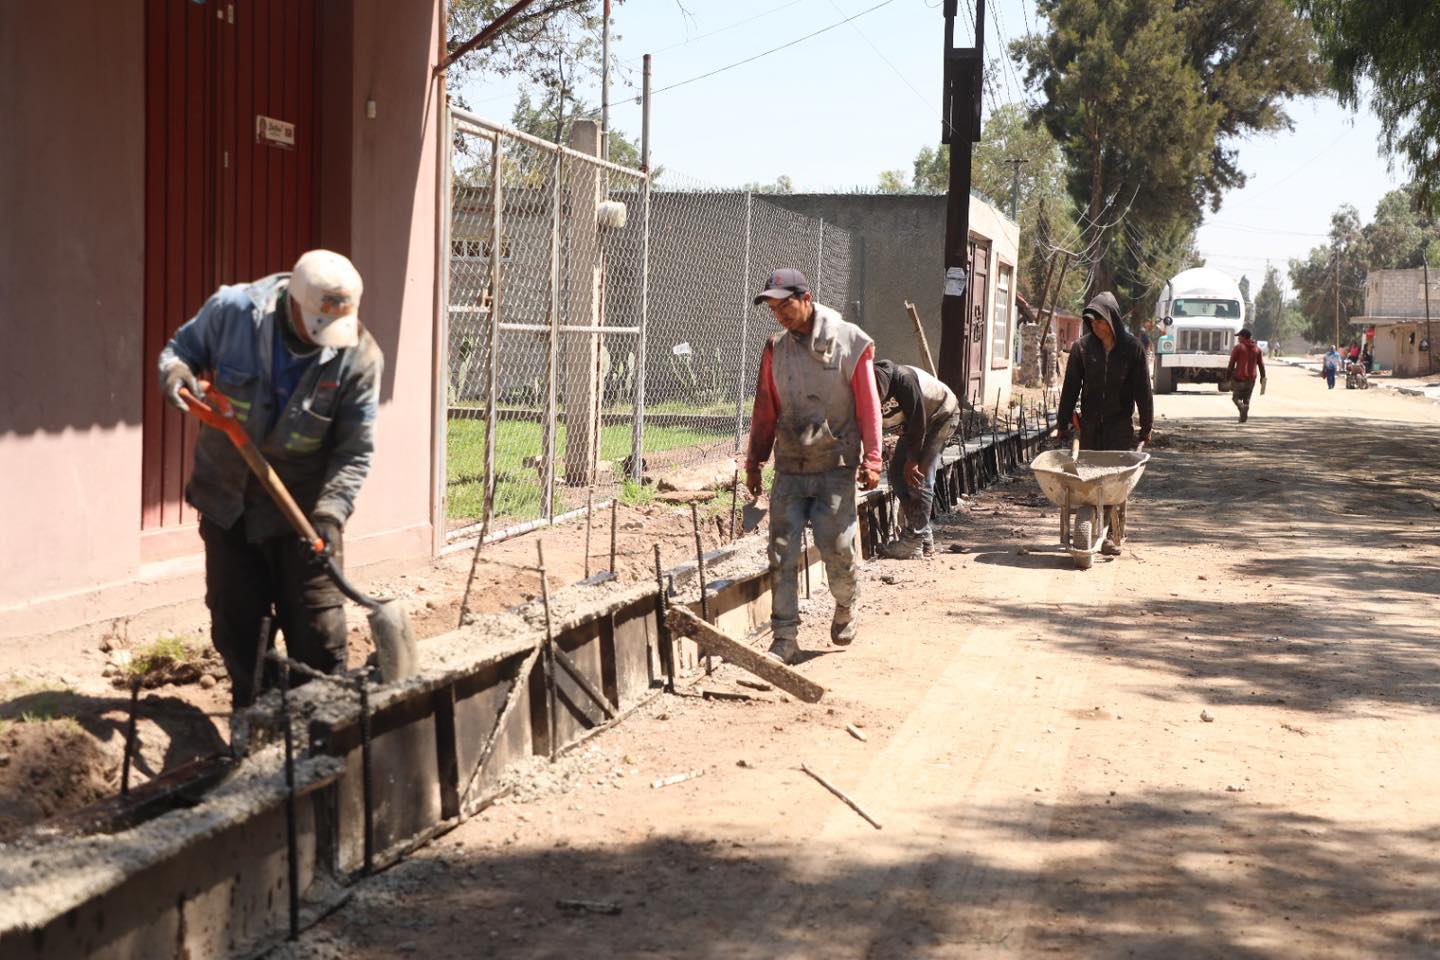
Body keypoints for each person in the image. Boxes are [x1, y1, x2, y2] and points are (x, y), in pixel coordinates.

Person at [157, 250, 383, 708]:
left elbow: (353, 451)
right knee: (239, 631)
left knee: (319, 637)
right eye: (316, 323)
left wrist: (330, 515)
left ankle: (318, 736)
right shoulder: (233, 313)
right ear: (292, 303)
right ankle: (255, 728)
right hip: (229, 502)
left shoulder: (358, 357)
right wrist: (178, 376)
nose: (326, 341)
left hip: (304, 511)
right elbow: (179, 353)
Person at [744, 268, 882, 664]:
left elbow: (868, 405)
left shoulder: (849, 341)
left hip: (834, 466)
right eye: (773, 308)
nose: (780, 315)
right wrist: (755, 462)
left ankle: (847, 601)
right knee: (781, 552)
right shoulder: (775, 348)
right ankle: (784, 637)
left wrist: (873, 458)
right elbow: (765, 408)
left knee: (836, 547)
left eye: (785, 305)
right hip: (790, 465)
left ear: (807, 298)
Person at [1056, 292, 1153, 555]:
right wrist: (1062, 422)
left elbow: (1143, 390)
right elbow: (1071, 388)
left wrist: (1146, 427)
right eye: (1092, 323)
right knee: (1088, 480)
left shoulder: (1132, 349)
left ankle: (1110, 534)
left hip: (1119, 427)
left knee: (1113, 482)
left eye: (1100, 322)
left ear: (1112, 319)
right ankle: (1090, 527)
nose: (1096, 327)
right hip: (1089, 425)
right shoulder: (1083, 348)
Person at [872, 359, 961, 559]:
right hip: (913, 428)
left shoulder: (903, 380)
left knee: (920, 476)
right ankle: (923, 537)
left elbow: (917, 422)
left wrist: (912, 461)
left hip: (940, 416)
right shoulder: (860, 391)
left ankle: (913, 540)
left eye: (877, 395)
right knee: (896, 475)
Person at [1226, 327, 1267, 423]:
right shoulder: (1257, 349)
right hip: (1251, 379)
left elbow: (1231, 364)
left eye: (1239, 336)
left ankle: (1242, 408)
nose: (1238, 338)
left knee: (1235, 398)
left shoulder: (1238, 348)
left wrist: (1227, 377)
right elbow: (1261, 365)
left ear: (1244, 337)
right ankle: (1243, 418)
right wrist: (1263, 377)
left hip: (1239, 379)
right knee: (1246, 399)